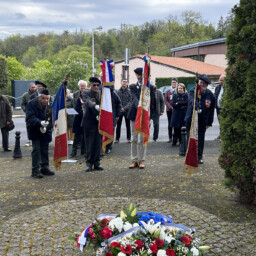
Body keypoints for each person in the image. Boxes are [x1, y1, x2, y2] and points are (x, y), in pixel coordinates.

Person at [185, 74, 215, 164]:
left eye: (204, 84)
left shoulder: (210, 95)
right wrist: (197, 109)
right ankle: (190, 156)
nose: (202, 85)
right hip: (191, 119)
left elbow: (211, 110)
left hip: (202, 121)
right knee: (190, 138)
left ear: (207, 85)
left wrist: (209, 123)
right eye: (201, 83)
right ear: (198, 83)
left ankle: (199, 156)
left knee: (201, 139)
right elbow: (192, 102)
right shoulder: (192, 91)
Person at [26, 88, 55, 178]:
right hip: (35, 130)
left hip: (45, 131)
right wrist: (40, 123)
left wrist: (48, 126)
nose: (46, 101)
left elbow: (52, 119)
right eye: (44, 99)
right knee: (36, 150)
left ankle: (45, 167)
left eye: (47, 99)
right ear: (39, 97)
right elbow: (30, 118)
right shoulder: (31, 104)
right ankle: (35, 170)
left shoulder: (49, 105)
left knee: (45, 149)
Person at [81, 77, 104, 172]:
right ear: (90, 85)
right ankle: (89, 163)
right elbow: (88, 102)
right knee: (90, 144)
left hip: (99, 122)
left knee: (98, 143)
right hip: (89, 122)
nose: (96, 87)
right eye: (94, 85)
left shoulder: (101, 94)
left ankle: (97, 162)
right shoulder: (86, 93)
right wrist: (95, 106)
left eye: (98, 85)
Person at [127, 67, 147, 169]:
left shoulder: (149, 87)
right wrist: (140, 108)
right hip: (135, 114)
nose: (139, 77)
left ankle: (141, 160)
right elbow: (134, 99)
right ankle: (134, 159)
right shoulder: (132, 87)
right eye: (138, 75)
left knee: (143, 139)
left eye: (141, 75)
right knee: (134, 139)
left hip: (145, 116)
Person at [70, 80, 88, 157]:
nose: (82, 87)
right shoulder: (75, 94)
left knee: (84, 135)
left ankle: (83, 152)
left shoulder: (88, 93)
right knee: (77, 136)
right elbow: (75, 106)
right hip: (78, 118)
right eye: (81, 86)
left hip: (86, 118)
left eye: (83, 86)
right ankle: (73, 152)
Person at [105, 87, 121, 154]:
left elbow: (119, 104)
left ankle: (108, 147)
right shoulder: (102, 93)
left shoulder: (114, 94)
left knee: (110, 132)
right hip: (104, 116)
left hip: (112, 116)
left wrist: (117, 114)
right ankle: (104, 146)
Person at [115, 79, 132, 143]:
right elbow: (116, 101)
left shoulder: (130, 92)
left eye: (126, 82)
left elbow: (131, 101)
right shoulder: (117, 92)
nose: (124, 83)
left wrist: (125, 108)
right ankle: (117, 139)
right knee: (118, 125)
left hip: (127, 111)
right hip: (119, 111)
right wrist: (121, 108)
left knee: (128, 125)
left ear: (127, 83)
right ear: (121, 83)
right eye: (123, 82)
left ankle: (129, 138)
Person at [21, 82, 37, 146]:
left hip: (36, 114)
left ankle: (36, 139)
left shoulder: (37, 94)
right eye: (32, 87)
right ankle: (29, 139)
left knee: (36, 126)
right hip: (29, 115)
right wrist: (26, 111)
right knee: (29, 127)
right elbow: (22, 104)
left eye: (34, 87)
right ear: (29, 87)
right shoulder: (25, 95)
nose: (33, 88)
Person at [164, 78, 178, 143]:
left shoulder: (178, 90)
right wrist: (170, 107)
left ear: (177, 83)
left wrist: (175, 106)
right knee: (170, 123)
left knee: (176, 124)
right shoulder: (168, 91)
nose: (173, 83)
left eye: (175, 82)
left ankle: (176, 137)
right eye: (172, 82)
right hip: (169, 110)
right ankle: (170, 137)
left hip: (176, 110)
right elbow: (165, 100)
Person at [214, 74, 225, 141]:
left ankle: (223, 136)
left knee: (224, 122)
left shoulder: (227, 88)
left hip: (225, 108)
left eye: (222, 80)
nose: (220, 81)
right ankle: (221, 134)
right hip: (218, 108)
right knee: (220, 122)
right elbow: (215, 96)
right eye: (220, 80)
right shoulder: (217, 87)